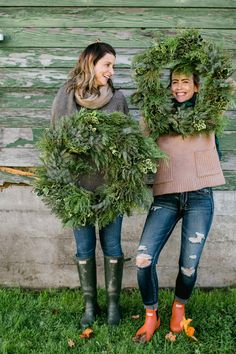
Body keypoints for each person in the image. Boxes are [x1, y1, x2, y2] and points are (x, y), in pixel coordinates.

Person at [133, 65, 225, 342]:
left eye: (186, 82)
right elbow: (142, 144)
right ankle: (152, 315)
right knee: (142, 260)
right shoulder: (157, 114)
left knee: (188, 265)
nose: (179, 87)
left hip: (200, 197)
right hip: (167, 197)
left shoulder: (209, 112)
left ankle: (178, 308)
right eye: (175, 82)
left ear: (197, 86)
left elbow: (224, 82)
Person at [51, 42, 129, 328]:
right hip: (77, 189)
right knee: (84, 248)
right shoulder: (66, 97)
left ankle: (112, 306)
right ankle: (89, 305)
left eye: (113, 66)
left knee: (112, 246)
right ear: (90, 63)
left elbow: (127, 141)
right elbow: (56, 141)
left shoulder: (118, 98)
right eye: (107, 64)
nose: (111, 71)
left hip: (111, 188)